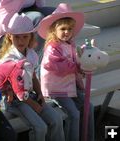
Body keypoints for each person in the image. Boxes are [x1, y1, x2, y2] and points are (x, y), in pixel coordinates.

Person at [0, 13, 65, 141]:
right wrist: (32, 104)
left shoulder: (31, 55)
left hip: (30, 96)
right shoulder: (9, 59)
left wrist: (40, 95)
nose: (21, 41)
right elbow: (5, 85)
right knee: (40, 127)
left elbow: (33, 77)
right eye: (17, 37)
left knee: (56, 119)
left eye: (25, 37)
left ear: (30, 37)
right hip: (15, 101)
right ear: (10, 37)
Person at [37, 3, 94, 141]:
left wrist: (85, 58)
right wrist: (77, 66)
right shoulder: (52, 48)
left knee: (89, 106)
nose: (67, 32)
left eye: (69, 29)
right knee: (73, 114)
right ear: (53, 30)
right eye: (63, 28)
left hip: (69, 86)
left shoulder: (70, 44)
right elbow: (57, 65)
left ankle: (87, 137)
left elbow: (76, 62)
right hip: (56, 88)